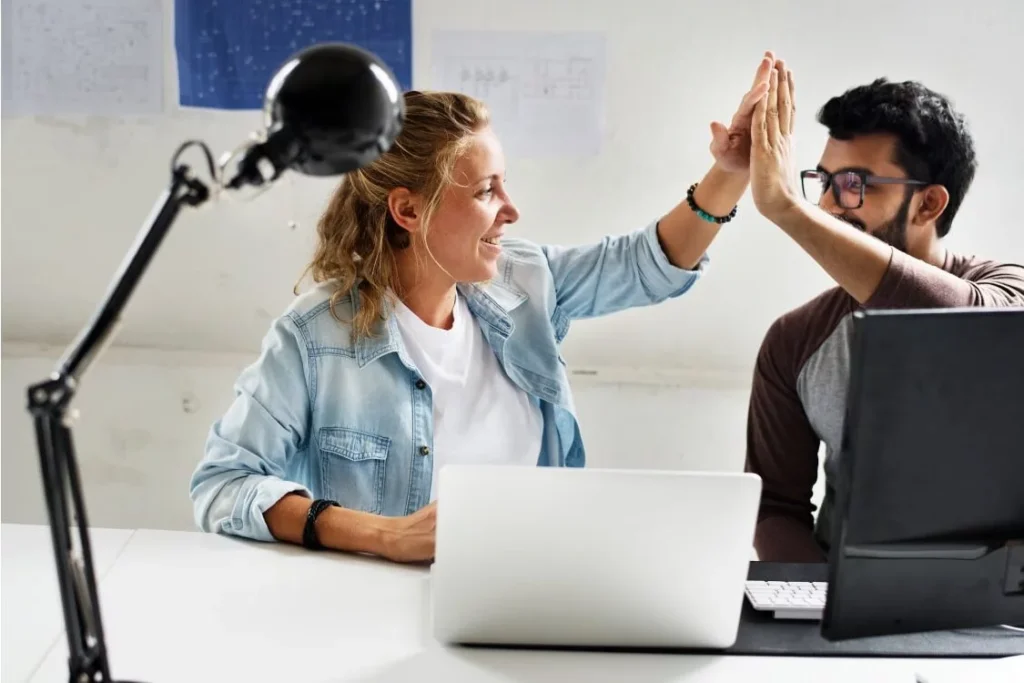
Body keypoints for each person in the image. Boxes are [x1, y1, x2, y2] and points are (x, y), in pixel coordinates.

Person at [189, 53, 780, 563]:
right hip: (371, 611)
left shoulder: (526, 285)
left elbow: (646, 265)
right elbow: (223, 486)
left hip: (529, 591)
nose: (511, 210)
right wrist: (385, 536)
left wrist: (728, 173)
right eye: (486, 191)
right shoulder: (313, 338)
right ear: (408, 211)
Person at [744, 65, 1024, 562]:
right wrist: (823, 601)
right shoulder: (794, 340)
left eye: (855, 183)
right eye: (823, 181)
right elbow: (775, 508)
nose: (828, 205)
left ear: (928, 204)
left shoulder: (1008, 291)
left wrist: (788, 209)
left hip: (1001, 614)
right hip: (848, 610)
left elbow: (968, 329)